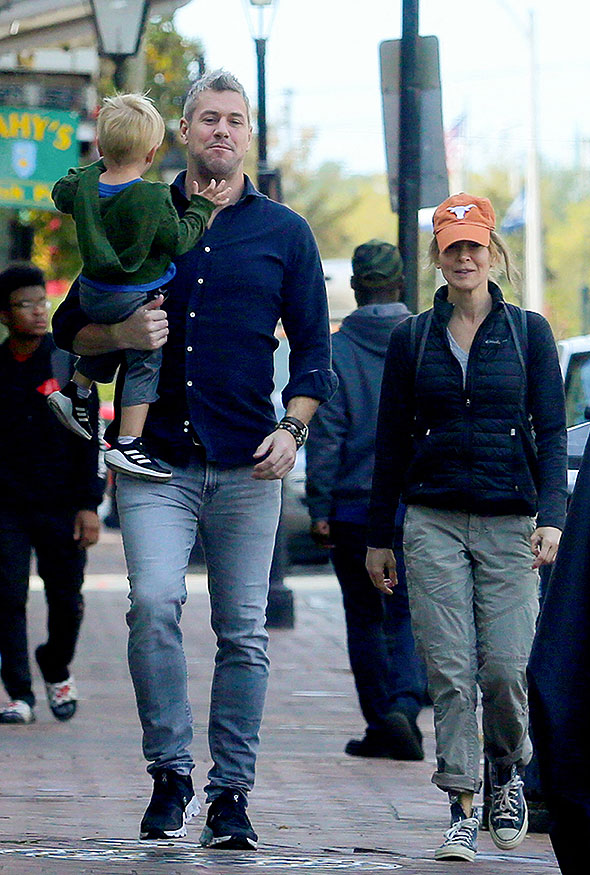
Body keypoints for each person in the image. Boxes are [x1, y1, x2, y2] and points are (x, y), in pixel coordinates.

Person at [52, 70, 337, 849]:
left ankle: (231, 793)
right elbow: (71, 329)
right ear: (182, 131)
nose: (221, 131)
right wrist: (120, 340)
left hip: (251, 464)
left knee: (244, 630)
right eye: (207, 119)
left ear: (250, 134)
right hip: (157, 463)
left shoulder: (285, 233)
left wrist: (295, 427)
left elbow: (315, 349)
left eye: (234, 120)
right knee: (151, 605)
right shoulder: (138, 207)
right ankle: (170, 772)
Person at [365, 193, 567, 863]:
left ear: (492, 252)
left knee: (506, 668)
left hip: (510, 522)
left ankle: (506, 769)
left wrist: (553, 517)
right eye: (452, 246)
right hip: (433, 521)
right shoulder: (413, 336)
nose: (464, 256)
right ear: (438, 257)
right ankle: (460, 804)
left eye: (474, 245)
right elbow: (391, 440)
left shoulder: (529, 332)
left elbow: (554, 428)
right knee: (451, 672)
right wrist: (378, 534)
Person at [48, 93, 230, 482]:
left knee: (118, 339)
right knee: (146, 356)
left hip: (94, 294)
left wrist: (103, 163)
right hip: (135, 296)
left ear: (100, 146)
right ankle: (129, 442)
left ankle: (76, 390)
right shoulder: (153, 196)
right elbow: (179, 240)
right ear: (151, 155)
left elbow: (60, 191)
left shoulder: (84, 185)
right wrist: (201, 208)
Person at [306, 239, 426, 761]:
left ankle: (382, 721)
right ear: (401, 286)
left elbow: (327, 436)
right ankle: (404, 706)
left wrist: (320, 506)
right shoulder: (429, 341)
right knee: (410, 615)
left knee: (364, 615)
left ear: (354, 289)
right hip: (418, 506)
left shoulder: (338, 352)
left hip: (354, 509)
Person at [0, 262, 103, 725]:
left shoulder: (68, 364)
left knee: (68, 601)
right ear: (5, 314)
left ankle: (55, 664)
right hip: (6, 507)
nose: (39, 313)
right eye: (26, 304)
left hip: (63, 504)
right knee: (7, 597)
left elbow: (89, 438)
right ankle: (20, 694)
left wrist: (89, 504)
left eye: (43, 302)